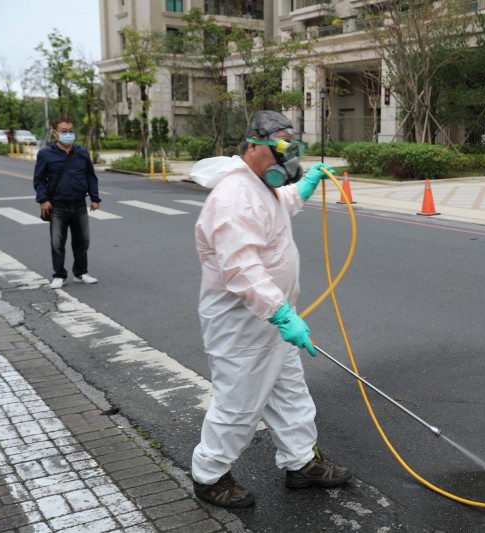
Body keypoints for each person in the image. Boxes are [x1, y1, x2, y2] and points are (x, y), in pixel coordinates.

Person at [189, 110, 351, 509]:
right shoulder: (233, 197)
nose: (288, 159)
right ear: (256, 146)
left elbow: (281, 205)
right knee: (240, 402)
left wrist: (307, 187)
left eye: (293, 149)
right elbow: (241, 268)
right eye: (282, 149)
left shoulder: (263, 185)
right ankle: (209, 475)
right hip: (242, 322)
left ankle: (301, 462)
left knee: (290, 392)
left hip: (274, 319)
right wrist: (280, 313)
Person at [33, 116, 100, 289]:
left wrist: (94, 198)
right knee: (57, 242)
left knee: (82, 241)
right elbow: (39, 179)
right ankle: (59, 275)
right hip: (57, 206)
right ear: (55, 133)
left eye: (71, 131)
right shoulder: (45, 154)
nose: (68, 134)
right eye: (64, 132)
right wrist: (43, 200)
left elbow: (90, 176)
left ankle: (81, 273)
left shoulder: (82, 153)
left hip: (79, 205)